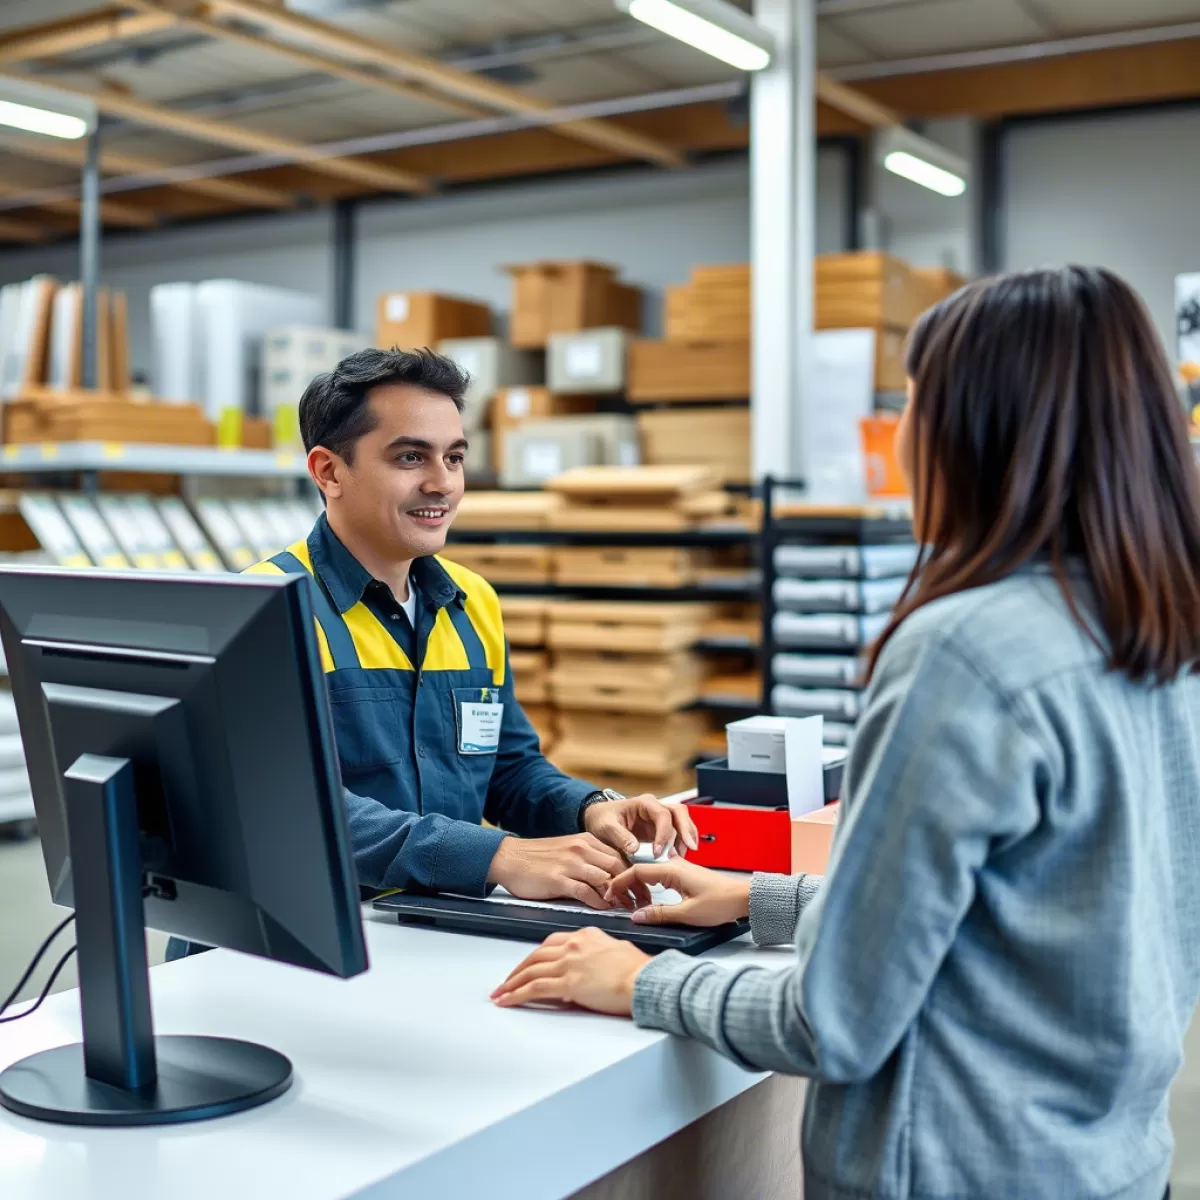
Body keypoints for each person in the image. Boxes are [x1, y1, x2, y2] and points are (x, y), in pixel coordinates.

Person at [492, 267, 1200, 1200]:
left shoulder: (965, 653)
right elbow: (1017, 920)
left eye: (910, 403)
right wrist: (759, 899)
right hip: (1102, 1163)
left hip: (953, 1171)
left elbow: (837, 1021)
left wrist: (635, 982)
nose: (900, 436)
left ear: (976, 429)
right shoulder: (1156, 630)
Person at [169, 348, 696, 962]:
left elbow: (505, 768)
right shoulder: (263, 607)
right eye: (410, 457)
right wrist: (495, 856)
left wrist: (590, 807)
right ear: (329, 472)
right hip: (276, 950)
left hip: (418, 934)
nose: (442, 482)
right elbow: (285, 807)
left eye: (454, 457)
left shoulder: (473, 602)